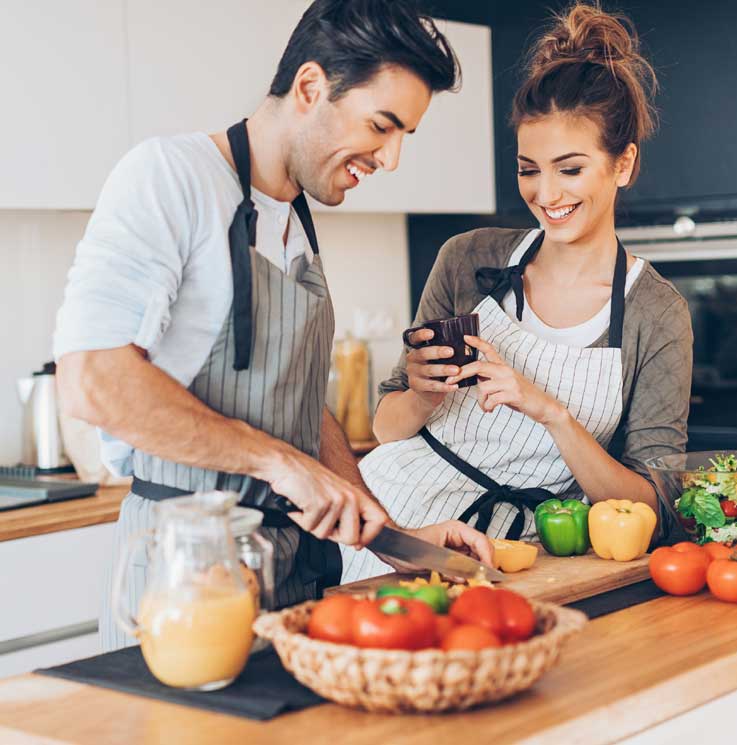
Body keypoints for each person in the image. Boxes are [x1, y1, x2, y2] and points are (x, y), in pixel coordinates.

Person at [54, 0, 494, 652]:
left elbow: (296, 406)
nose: (390, 157)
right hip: (188, 576)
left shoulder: (294, 220)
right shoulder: (170, 177)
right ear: (311, 88)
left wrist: (391, 535)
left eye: (405, 134)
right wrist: (279, 463)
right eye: (381, 125)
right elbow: (91, 381)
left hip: (293, 573)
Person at [342, 1, 693, 583]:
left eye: (570, 168)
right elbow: (385, 427)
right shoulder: (468, 259)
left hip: (521, 550)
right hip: (391, 522)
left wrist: (550, 412)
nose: (545, 191)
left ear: (623, 164)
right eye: (529, 168)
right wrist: (425, 395)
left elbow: (654, 510)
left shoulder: (656, 313)